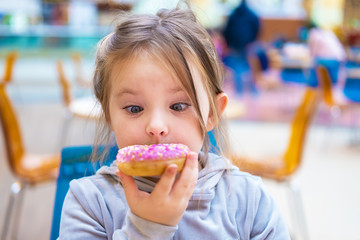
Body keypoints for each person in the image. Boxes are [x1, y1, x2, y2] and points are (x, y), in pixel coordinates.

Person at [58, 1, 290, 239]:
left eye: (178, 106)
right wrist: (146, 228)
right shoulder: (88, 203)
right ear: (109, 117)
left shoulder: (249, 202)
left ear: (211, 113)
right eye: (134, 108)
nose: (156, 126)